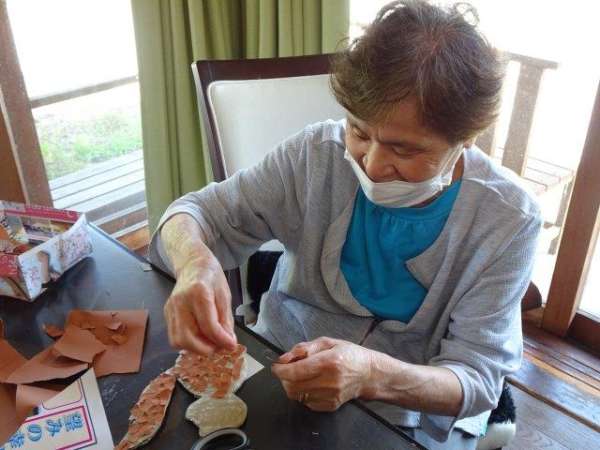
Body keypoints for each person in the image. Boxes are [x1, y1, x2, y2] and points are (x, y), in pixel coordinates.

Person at [149, 1, 541, 448]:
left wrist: (373, 374)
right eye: (359, 131)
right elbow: (196, 213)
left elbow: (477, 379)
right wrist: (194, 261)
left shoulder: (508, 221)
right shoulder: (314, 155)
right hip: (280, 366)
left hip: (403, 411)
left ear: (466, 139)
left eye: (405, 150)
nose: (372, 165)